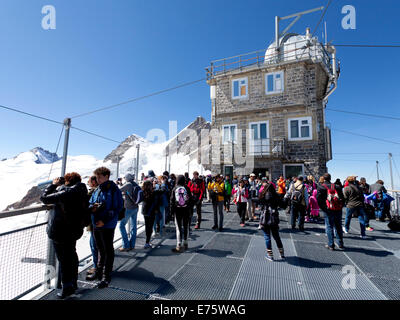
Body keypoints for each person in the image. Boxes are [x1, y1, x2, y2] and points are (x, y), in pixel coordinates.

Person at [40, 172, 88, 298]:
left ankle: (67, 287)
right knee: (71, 256)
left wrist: (53, 185)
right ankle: (73, 283)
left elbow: (44, 198)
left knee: (64, 260)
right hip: (74, 230)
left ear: (68, 181)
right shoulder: (82, 191)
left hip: (61, 232)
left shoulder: (66, 192)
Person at [87, 167, 124, 289]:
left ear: (106, 176)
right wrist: (93, 207)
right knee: (99, 248)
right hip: (96, 223)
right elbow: (91, 202)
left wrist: (105, 220)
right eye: (96, 177)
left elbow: (118, 207)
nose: (97, 179)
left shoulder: (114, 190)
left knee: (107, 249)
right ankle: (98, 272)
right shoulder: (98, 189)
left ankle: (106, 276)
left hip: (107, 225)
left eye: (99, 177)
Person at [317, 173, 345, 251]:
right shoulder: (337, 186)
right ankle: (340, 243)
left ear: (323, 178)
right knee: (338, 226)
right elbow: (342, 198)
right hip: (337, 209)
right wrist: (340, 207)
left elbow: (318, 199)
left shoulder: (321, 187)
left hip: (328, 209)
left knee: (329, 226)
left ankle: (331, 244)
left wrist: (324, 208)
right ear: (330, 178)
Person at [258, 179, 284, 261]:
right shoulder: (276, 196)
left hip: (265, 217)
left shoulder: (263, 195)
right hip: (274, 217)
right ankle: (282, 254)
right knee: (276, 236)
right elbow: (283, 205)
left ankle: (270, 255)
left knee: (267, 236)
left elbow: (259, 202)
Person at [118, 173, 143, 251]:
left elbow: (118, 191)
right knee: (133, 227)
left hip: (128, 208)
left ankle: (126, 245)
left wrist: (118, 184)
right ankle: (132, 245)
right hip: (135, 207)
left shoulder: (128, 184)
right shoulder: (135, 184)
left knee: (121, 226)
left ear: (127, 178)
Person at [170, 175, 193, 252]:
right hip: (186, 210)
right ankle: (185, 243)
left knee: (178, 227)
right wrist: (190, 210)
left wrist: (172, 212)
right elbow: (191, 200)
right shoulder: (187, 188)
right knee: (186, 226)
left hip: (177, 210)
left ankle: (178, 244)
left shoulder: (175, 188)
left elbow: (172, 201)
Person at [86, 176, 99, 278]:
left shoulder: (93, 192)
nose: (88, 183)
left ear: (94, 182)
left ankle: (96, 267)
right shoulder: (99, 191)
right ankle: (98, 265)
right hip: (98, 223)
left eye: (89, 181)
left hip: (94, 223)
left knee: (94, 246)